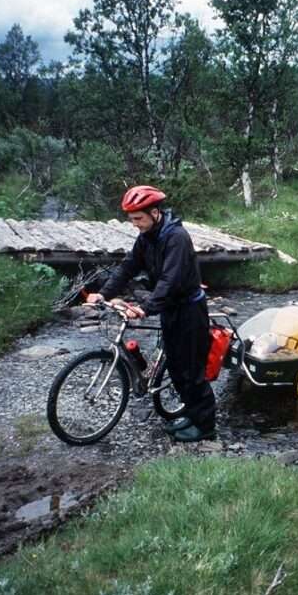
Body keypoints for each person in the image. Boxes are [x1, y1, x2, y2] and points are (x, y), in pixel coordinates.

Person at [85, 185, 217, 442]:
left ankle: (206, 427)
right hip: (171, 308)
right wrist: (104, 293)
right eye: (132, 219)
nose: (135, 224)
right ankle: (191, 415)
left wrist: (146, 308)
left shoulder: (176, 237)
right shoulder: (146, 237)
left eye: (138, 218)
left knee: (191, 371)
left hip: (189, 310)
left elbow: (170, 280)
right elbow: (128, 267)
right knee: (177, 369)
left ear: (155, 212)